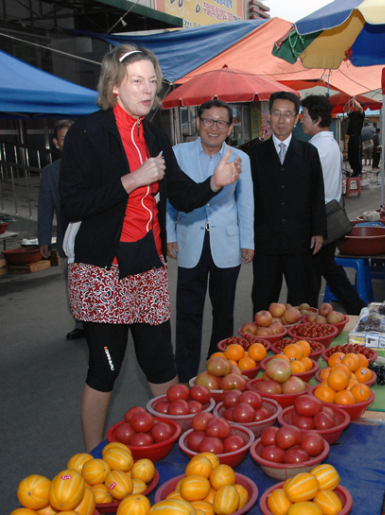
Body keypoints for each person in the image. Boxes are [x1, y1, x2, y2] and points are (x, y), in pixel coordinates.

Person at [59, 45, 241, 451]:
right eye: (137, 81)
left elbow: (180, 195)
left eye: (153, 81)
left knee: (162, 364)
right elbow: (71, 203)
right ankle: (92, 458)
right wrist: (133, 179)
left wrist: (215, 182)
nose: (147, 89)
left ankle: (174, 448)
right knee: (104, 369)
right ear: (115, 85)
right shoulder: (87, 133)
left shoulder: (156, 135)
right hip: (101, 270)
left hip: (147, 265)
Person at [166, 100, 254, 383]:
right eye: (208, 121)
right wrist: (168, 233)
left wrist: (247, 240)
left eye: (220, 122)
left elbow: (246, 202)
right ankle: (186, 374)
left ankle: (219, 370)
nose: (213, 128)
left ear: (230, 127)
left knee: (223, 311)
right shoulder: (177, 154)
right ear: (197, 123)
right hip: (189, 240)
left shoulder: (240, 158)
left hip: (226, 244)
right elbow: (167, 199)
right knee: (188, 312)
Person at [248, 91, 326, 314]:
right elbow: (248, 198)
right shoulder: (255, 154)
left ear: (296, 119)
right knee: (263, 300)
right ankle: (263, 344)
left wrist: (318, 230)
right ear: (268, 117)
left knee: (301, 301)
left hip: (300, 240)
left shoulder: (309, 153)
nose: (281, 120)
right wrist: (247, 237)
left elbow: (317, 194)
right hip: (265, 240)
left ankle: (300, 346)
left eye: (287, 114)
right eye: (277, 113)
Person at [300, 95, 368, 315]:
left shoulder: (317, 148)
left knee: (316, 273)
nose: (301, 120)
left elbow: (306, 188)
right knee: (325, 269)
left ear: (317, 118)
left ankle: (355, 310)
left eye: (305, 116)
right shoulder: (328, 144)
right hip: (328, 215)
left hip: (320, 219)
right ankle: (357, 309)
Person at [38, 119, 84, 341]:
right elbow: (45, 207)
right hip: (68, 238)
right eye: (65, 138)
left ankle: (104, 321)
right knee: (73, 281)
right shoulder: (50, 172)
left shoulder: (94, 165)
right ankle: (81, 323)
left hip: (95, 234)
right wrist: (44, 239)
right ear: (56, 143)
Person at [345, 98, 364, 177]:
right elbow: (346, 110)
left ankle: (358, 171)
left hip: (357, 137)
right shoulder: (353, 114)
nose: (355, 107)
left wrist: (354, 100)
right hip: (351, 137)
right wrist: (350, 103)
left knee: (357, 154)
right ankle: (353, 169)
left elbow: (359, 108)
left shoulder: (361, 114)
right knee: (351, 154)